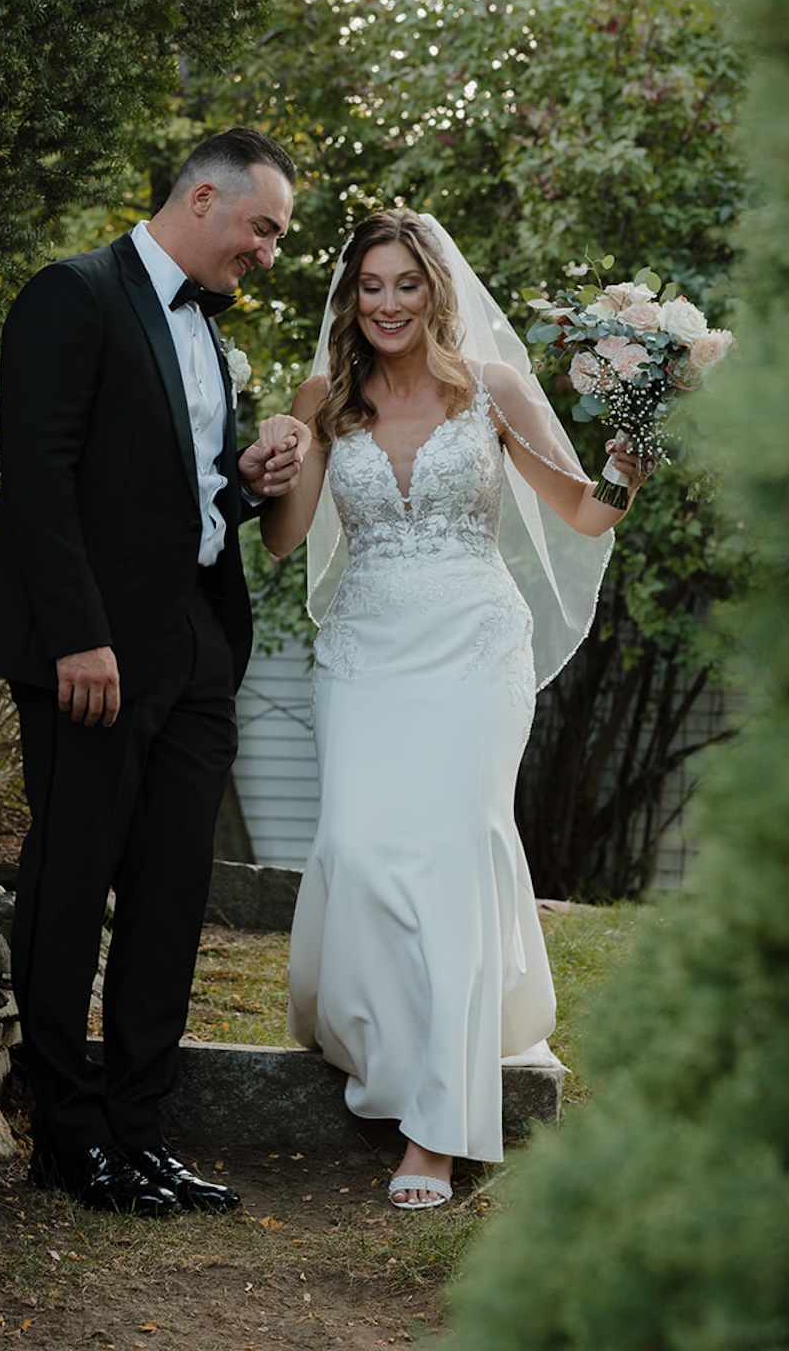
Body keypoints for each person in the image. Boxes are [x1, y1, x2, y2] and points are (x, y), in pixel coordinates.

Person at [261, 209, 649, 1209]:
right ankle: (379, 1036)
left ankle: (435, 1130)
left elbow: (582, 511)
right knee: (352, 843)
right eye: (368, 286)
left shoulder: (491, 390)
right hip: (364, 649)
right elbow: (281, 541)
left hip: (472, 646)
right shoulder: (323, 399)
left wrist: (625, 461)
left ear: (435, 289)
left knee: (457, 844)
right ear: (347, 299)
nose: (386, 303)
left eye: (404, 283)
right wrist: (275, 458)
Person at [0, 128, 310, 1217]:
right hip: (93, 656)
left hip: (196, 649)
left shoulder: (209, 334)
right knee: (71, 887)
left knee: (169, 897)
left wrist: (246, 482)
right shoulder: (69, 296)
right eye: (261, 229)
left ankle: (139, 1132)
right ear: (202, 197)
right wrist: (78, 635)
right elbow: (40, 476)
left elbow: (177, 488)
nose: (265, 254)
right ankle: (68, 1139)